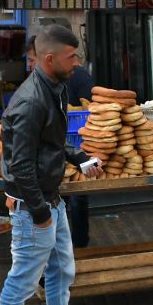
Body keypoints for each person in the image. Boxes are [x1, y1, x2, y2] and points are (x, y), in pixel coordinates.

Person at [0, 24, 104, 305]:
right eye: (72, 57)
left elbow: (48, 145)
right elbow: (20, 164)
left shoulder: (55, 87)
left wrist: (79, 156)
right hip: (32, 207)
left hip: (50, 201)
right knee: (21, 281)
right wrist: (39, 212)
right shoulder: (30, 100)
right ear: (50, 58)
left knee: (61, 271)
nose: (78, 62)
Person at [66, 60, 94, 248]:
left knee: (77, 197)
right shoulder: (45, 82)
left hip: (79, 142)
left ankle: (80, 244)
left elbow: (90, 108)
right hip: (62, 145)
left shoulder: (80, 76)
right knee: (61, 200)